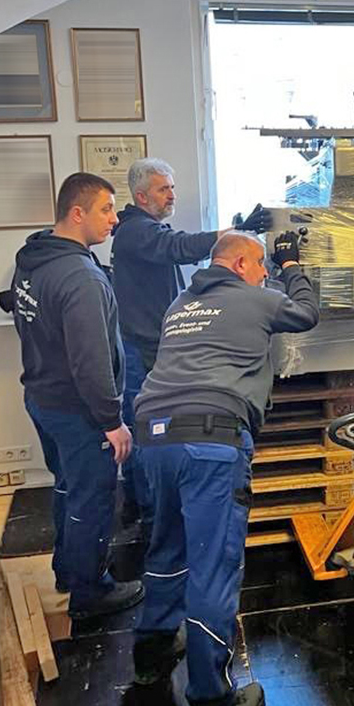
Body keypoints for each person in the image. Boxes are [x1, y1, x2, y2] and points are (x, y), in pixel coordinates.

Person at [130, 229, 319, 706]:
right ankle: (212, 702)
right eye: (259, 265)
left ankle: (151, 653)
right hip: (211, 440)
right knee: (213, 566)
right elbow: (306, 314)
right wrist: (292, 265)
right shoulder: (255, 298)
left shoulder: (179, 305)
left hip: (154, 435)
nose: (264, 273)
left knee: (168, 545)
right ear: (239, 265)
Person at [8, 173, 145, 621]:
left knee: (68, 486)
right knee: (93, 498)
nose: (115, 219)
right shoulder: (81, 277)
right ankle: (90, 593)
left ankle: (68, 571)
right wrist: (112, 420)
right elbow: (91, 362)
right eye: (106, 209)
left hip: (42, 397)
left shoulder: (33, 257)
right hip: (79, 411)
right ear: (77, 213)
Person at [110, 158, 272, 533]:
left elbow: (177, 246)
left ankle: (150, 509)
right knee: (144, 429)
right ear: (141, 196)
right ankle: (148, 514)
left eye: (172, 187)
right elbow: (180, 247)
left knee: (151, 428)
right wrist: (236, 233)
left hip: (151, 344)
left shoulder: (148, 228)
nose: (172, 195)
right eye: (163, 189)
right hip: (139, 348)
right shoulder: (135, 231)